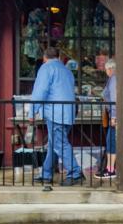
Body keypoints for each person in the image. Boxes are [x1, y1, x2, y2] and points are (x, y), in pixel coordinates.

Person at [30, 47, 83, 186]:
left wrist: (32, 112)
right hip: (69, 112)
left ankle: (75, 173)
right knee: (54, 143)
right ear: (59, 57)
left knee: (59, 143)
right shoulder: (67, 70)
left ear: (44, 58)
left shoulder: (46, 68)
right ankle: (46, 173)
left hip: (55, 113)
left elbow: (40, 91)